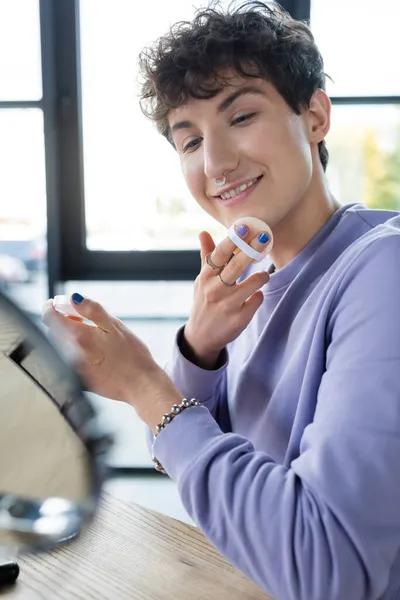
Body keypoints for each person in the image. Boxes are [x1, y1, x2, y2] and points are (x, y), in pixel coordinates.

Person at [42, 2, 400, 598]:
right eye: (189, 142)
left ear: (314, 115)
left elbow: (325, 567)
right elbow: (204, 474)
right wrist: (199, 347)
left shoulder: (383, 269)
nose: (216, 163)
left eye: (241, 117)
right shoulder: (248, 286)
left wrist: (144, 385)